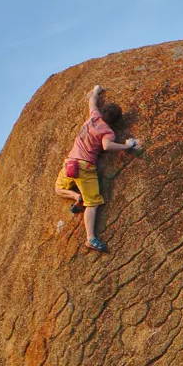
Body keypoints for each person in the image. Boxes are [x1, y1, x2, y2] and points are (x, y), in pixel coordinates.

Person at [54, 83, 142, 253]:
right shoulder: (108, 132)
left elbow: (92, 101)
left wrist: (96, 91)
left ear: (102, 112)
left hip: (70, 163)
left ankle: (74, 196)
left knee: (58, 188)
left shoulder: (93, 116)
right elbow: (107, 146)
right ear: (116, 121)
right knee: (93, 203)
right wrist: (127, 146)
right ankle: (90, 238)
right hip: (84, 168)